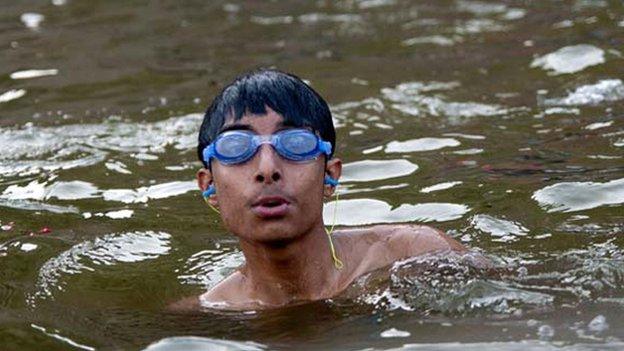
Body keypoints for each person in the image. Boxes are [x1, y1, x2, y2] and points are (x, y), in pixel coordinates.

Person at [173, 69, 467, 311]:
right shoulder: (209, 312)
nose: (267, 169)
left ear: (329, 176)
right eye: (236, 147)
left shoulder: (416, 254)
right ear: (209, 186)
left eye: (295, 144)